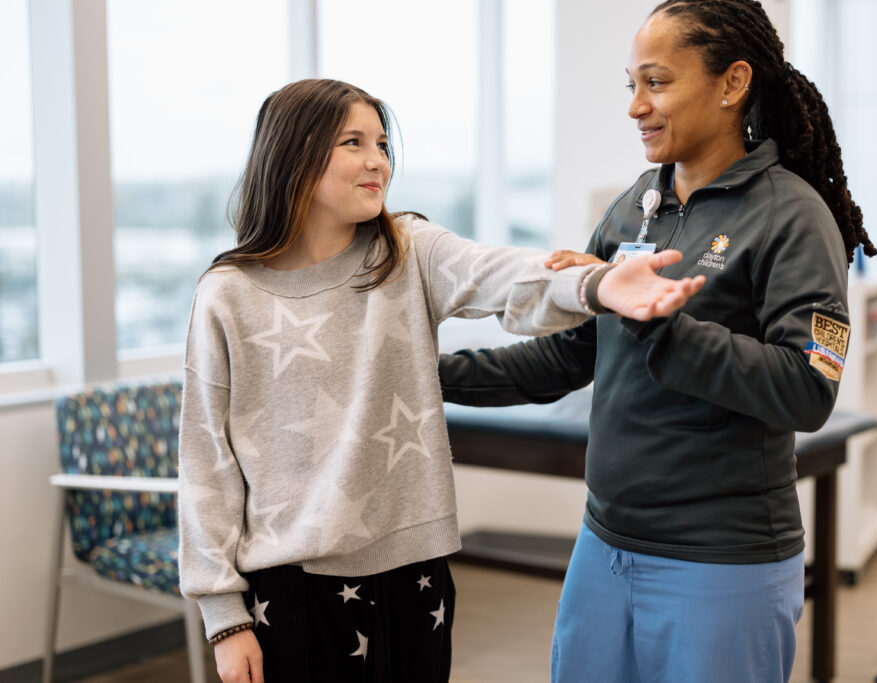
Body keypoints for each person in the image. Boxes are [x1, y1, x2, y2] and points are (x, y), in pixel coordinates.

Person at [176, 78, 703, 683]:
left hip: (414, 575)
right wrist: (224, 616)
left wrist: (597, 284)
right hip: (289, 589)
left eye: (382, 144)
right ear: (293, 155)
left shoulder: (407, 250)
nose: (378, 161)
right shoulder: (228, 294)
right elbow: (206, 461)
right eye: (353, 142)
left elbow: (497, 273)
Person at [438, 2, 876, 681]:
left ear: (733, 83)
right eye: (632, 84)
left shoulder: (792, 215)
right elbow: (569, 355)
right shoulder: (633, 207)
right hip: (605, 546)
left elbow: (807, 389)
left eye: (657, 82)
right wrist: (430, 374)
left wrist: (662, 326)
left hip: (720, 559)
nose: (636, 105)